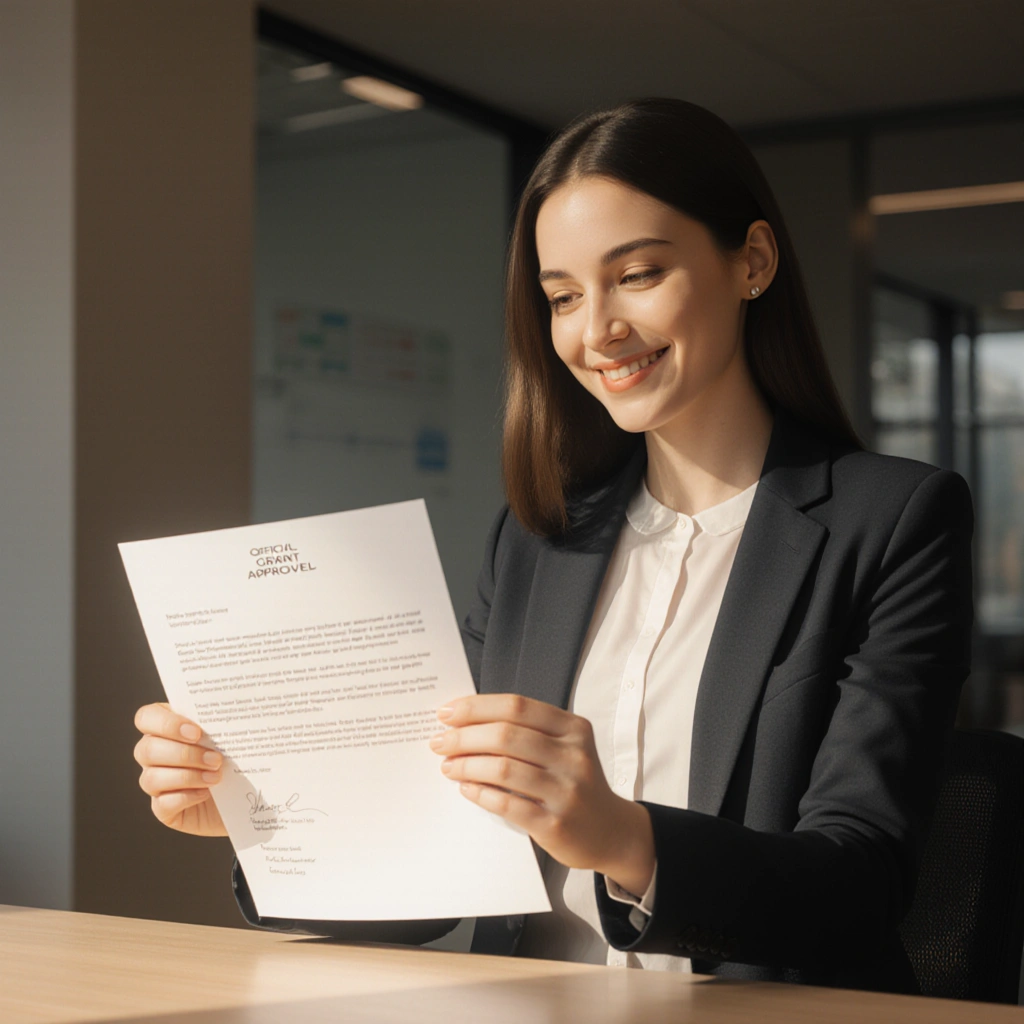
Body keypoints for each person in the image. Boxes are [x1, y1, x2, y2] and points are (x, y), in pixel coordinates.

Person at [133, 98, 974, 994]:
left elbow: (860, 887)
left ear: (752, 262)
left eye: (638, 274)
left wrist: (622, 837)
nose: (595, 328)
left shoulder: (896, 520)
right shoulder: (539, 538)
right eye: (563, 296)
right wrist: (263, 812)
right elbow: (440, 868)